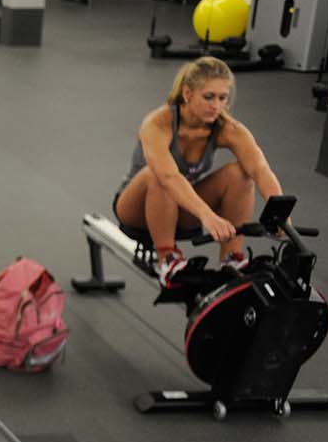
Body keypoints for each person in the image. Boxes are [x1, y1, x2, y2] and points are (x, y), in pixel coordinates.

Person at [114, 57, 285, 286]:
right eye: (208, 97)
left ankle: (232, 259)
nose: (216, 105)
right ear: (187, 94)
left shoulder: (227, 128)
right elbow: (168, 176)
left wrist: (281, 214)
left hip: (181, 209)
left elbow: (261, 170)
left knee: (240, 174)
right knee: (157, 175)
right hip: (135, 209)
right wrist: (208, 215)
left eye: (222, 98)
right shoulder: (158, 123)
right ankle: (167, 260)